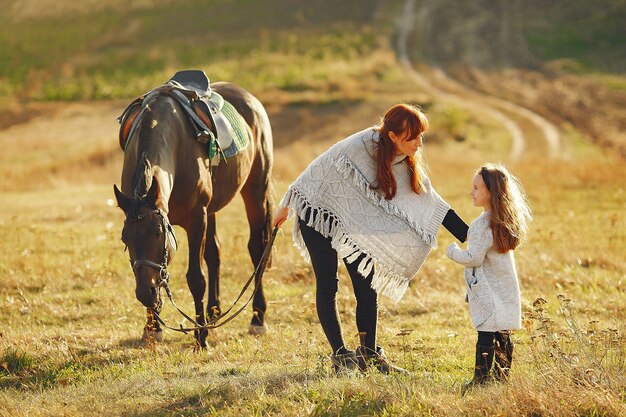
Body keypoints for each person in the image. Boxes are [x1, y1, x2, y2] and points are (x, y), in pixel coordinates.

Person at [273, 103, 468, 374]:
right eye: (413, 137)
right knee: (328, 284)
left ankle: (369, 354)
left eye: (421, 135)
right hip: (317, 213)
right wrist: (286, 205)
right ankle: (341, 356)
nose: (419, 143)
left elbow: (433, 203)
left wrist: (472, 235)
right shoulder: (359, 145)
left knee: (367, 288)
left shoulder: (403, 161)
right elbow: (316, 169)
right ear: (393, 137)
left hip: (354, 225)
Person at [446, 163, 531, 394]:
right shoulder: (505, 219)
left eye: (476, 188)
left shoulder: (482, 224)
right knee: (503, 333)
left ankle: (481, 380)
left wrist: (452, 251)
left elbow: (473, 258)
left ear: (490, 192)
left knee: (485, 331)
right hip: (505, 287)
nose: (471, 193)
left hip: (488, 290)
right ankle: (502, 378)